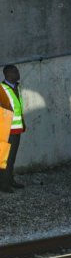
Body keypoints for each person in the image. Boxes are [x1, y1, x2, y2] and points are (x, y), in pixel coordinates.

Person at [0, 65, 25, 193]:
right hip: (6, 131)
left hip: (16, 129)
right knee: (6, 158)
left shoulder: (16, 87)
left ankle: (10, 180)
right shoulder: (2, 89)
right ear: (8, 74)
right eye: (16, 71)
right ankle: (4, 185)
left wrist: (22, 124)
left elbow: (18, 108)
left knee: (12, 158)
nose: (18, 73)